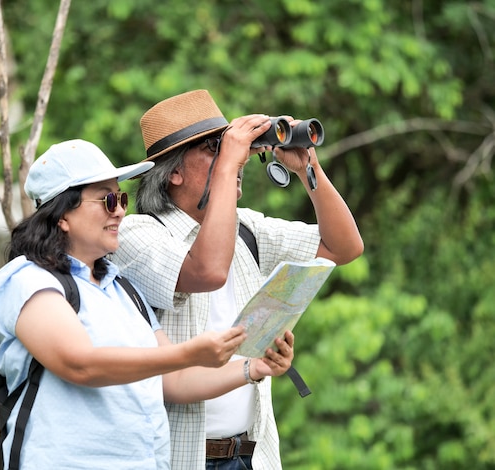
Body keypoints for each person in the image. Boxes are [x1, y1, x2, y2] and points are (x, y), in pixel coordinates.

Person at [0, 138, 297, 470]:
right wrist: (189, 353)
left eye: (120, 197)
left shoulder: (120, 287)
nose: (120, 209)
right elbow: (80, 364)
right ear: (62, 214)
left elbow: (173, 381)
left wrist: (254, 369)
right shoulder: (27, 280)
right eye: (107, 199)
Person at [110, 90, 364, 470]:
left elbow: (344, 247)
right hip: (184, 458)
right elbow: (207, 271)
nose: (237, 157)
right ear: (174, 172)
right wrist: (228, 164)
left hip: (250, 455)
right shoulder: (137, 233)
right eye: (214, 147)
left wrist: (306, 168)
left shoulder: (246, 228)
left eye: (228, 145)